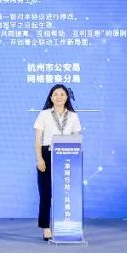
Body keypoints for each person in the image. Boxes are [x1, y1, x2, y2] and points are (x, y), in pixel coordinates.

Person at [33, 83, 83, 242]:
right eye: (55, 94)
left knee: (66, 192)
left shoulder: (73, 116)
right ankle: (46, 228)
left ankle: (66, 227)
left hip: (67, 155)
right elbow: (37, 139)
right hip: (47, 153)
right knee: (46, 193)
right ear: (51, 97)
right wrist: (39, 158)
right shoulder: (44, 114)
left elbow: (77, 137)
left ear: (67, 97)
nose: (59, 97)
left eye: (62, 94)